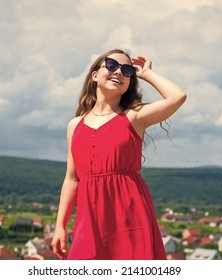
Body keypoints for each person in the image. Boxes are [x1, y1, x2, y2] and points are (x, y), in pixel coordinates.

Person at [51, 49, 186, 260]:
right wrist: (60, 225)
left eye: (127, 70)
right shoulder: (74, 125)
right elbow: (72, 178)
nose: (119, 72)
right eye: (112, 66)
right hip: (89, 218)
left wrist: (147, 73)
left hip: (130, 214)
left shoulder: (135, 116)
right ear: (95, 75)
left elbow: (177, 97)